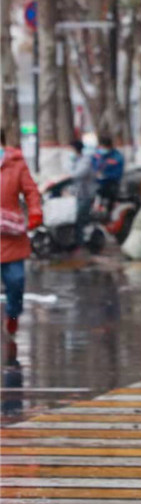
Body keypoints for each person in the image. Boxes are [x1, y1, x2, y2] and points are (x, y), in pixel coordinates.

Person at [0, 129, 43, 350]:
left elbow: (31, 191)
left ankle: (13, 316)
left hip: (11, 235)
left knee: (15, 282)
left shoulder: (15, 163)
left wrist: (35, 212)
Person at [69, 139, 96, 243]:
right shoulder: (74, 160)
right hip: (75, 195)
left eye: (70, 149)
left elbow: (77, 175)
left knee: (80, 218)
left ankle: (82, 242)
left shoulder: (86, 161)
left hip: (85, 195)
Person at [91, 134, 125, 215]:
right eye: (100, 147)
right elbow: (92, 166)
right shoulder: (96, 155)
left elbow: (118, 173)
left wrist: (105, 176)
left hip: (110, 186)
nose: (101, 149)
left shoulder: (117, 157)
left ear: (109, 147)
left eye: (103, 147)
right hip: (95, 185)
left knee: (107, 206)